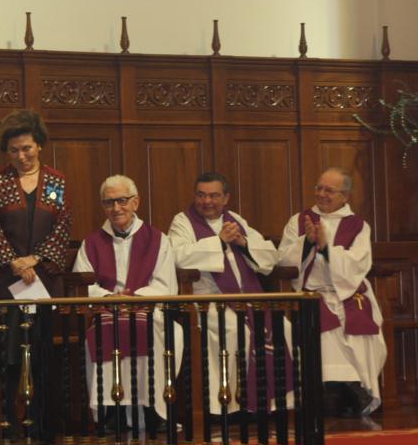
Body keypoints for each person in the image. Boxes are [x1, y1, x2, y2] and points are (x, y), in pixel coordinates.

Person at [0, 109, 72, 434]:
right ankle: (9, 422)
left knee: (44, 350)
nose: (21, 155)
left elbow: (63, 225)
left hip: (43, 279)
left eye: (27, 148)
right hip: (6, 281)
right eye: (14, 150)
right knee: (8, 354)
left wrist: (36, 259)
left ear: (39, 145)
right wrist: (14, 261)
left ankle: (43, 423)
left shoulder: (56, 181)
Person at [168, 171, 292, 415]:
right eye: (201, 195)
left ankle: (276, 402)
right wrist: (219, 242)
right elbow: (178, 256)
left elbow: (269, 255)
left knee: (284, 327)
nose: (207, 201)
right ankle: (231, 404)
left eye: (214, 196)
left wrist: (243, 243)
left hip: (247, 298)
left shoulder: (235, 220)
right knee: (235, 331)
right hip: (208, 300)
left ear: (226, 198)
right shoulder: (182, 222)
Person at [73, 174, 182, 428]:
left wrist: (134, 300)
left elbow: (165, 284)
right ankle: (112, 412)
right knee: (102, 331)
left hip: (148, 310)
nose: (115, 208)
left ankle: (153, 409)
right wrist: (111, 298)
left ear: (136, 202)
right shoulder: (91, 243)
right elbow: (82, 285)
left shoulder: (158, 239)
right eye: (108, 202)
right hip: (107, 311)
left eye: (121, 200)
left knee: (158, 331)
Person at [277, 167, 386, 417]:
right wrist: (307, 242)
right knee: (328, 328)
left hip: (351, 293)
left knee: (363, 329)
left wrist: (326, 249)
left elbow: (359, 263)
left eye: (329, 190)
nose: (321, 194)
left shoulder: (358, 225)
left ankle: (354, 389)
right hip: (311, 293)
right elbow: (282, 260)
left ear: (345, 196)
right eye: (319, 188)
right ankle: (347, 390)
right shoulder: (298, 221)